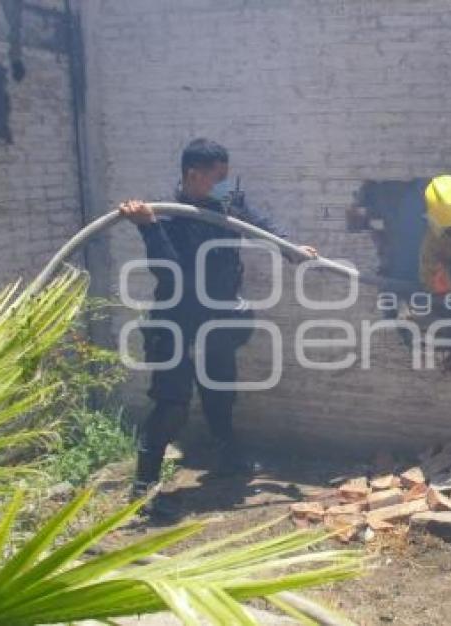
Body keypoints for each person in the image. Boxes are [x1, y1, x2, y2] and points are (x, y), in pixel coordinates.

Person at [119, 138, 317, 516]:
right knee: (171, 405)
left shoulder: (229, 204)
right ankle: (143, 487)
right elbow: (169, 272)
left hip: (218, 318)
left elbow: (262, 225)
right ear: (192, 175)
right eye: (218, 177)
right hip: (175, 320)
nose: (226, 185)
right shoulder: (167, 214)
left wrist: (291, 247)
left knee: (219, 391)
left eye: (227, 177)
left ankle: (227, 457)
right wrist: (147, 228)